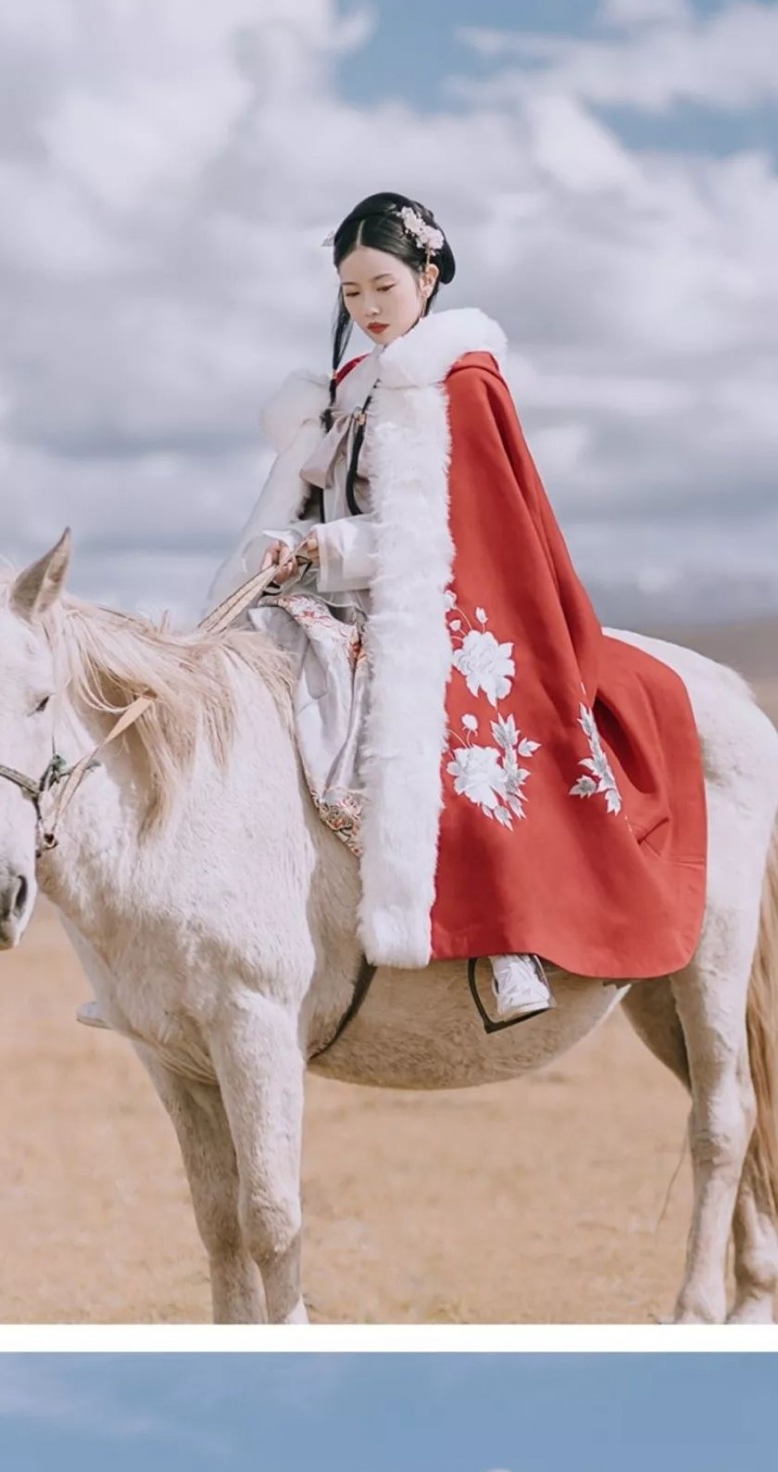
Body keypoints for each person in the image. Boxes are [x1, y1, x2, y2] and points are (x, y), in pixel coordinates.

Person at [209, 193, 706, 1021]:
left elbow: (450, 532)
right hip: (336, 595)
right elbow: (322, 502)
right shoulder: (347, 385)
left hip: (438, 601)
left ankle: (510, 941)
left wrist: (326, 552)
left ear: (428, 275)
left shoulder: (461, 381)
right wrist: (292, 547)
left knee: (463, 741)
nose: (366, 309)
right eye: (351, 292)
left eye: (382, 287)